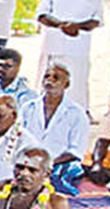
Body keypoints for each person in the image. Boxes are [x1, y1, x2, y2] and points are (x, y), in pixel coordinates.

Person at [36, 0, 104, 111]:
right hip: (54, 48)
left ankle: (79, 114)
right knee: (49, 85)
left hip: (79, 50)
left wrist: (76, 26)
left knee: (78, 86)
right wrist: (62, 25)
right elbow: (42, 16)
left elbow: (96, 21)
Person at [21, 63, 90, 195]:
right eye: (47, 76)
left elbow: (76, 151)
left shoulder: (77, 113)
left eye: (56, 78)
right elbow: (18, 137)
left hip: (58, 164)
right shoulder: (28, 108)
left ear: (66, 84)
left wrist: (48, 163)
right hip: (27, 161)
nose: (49, 80)